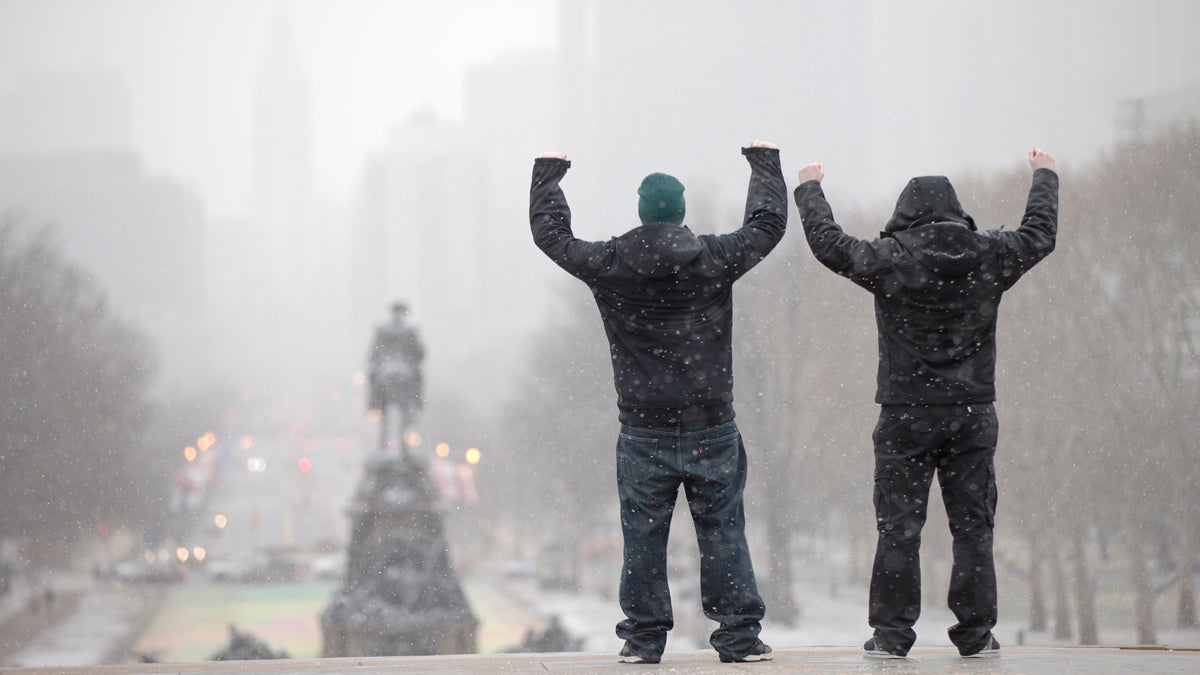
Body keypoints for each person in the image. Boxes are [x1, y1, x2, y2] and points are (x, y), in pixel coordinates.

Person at [792, 148, 1059, 659]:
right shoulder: (990, 254)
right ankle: (976, 635)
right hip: (972, 413)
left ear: (905, 212)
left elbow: (830, 246)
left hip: (905, 415)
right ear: (956, 211)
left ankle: (892, 636)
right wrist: (1044, 176)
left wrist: (810, 189)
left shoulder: (889, 258)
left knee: (899, 529)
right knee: (973, 528)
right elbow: (1040, 235)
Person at [529, 141, 787, 664]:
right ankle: (738, 635)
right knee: (723, 530)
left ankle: (644, 640)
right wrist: (764, 164)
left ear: (642, 212)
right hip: (711, 424)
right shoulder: (713, 258)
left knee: (643, 537)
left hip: (643, 429)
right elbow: (767, 225)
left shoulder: (610, 263)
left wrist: (548, 177)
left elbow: (553, 238)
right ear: (681, 212)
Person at [367, 302, 425, 453]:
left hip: (385, 371)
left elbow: (373, 355)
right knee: (408, 405)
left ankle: (374, 402)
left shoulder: (383, 331)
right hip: (404, 372)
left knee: (383, 410)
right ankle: (417, 399)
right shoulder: (409, 332)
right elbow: (420, 354)